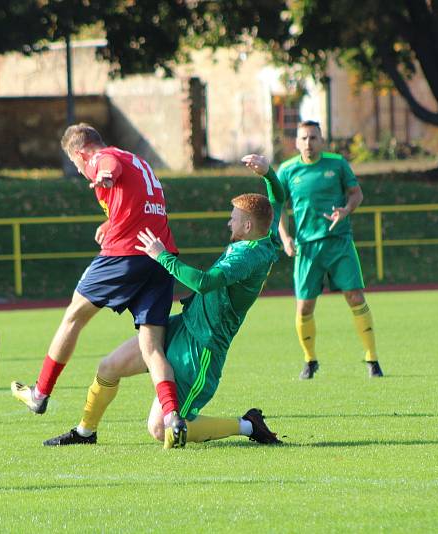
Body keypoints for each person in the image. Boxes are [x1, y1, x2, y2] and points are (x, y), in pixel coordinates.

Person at [41, 154, 284, 448]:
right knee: (109, 367)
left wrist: (162, 256)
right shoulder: (264, 234)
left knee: (159, 429)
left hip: (202, 348)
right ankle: (84, 433)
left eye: (233, 217)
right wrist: (268, 173)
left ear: (247, 226)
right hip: (183, 327)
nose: (228, 221)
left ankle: (247, 425)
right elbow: (278, 198)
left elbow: (204, 283)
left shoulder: (249, 256)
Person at [10, 123, 186, 443]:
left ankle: (40, 392)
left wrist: (100, 174)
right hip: (159, 255)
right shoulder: (137, 161)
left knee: (73, 317)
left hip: (125, 254)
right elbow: (141, 199)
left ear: (79, 153)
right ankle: (173, 415)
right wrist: (112, 219)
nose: (81, 171)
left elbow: (106, 166)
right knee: (151, 346)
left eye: (77, 165)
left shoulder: (101, 158)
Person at [277, 120, 383, 379]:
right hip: (307, 249)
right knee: (304, 308)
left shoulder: (337, 164)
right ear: (296, 142)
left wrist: (346, 209)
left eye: (313, 137)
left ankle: (372, 359)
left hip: (339, 242)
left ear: (322, 140)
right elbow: (279, 206)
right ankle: (310, 360)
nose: (308, 143)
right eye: (303, 138)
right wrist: (285, 236)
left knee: (355, 297)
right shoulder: (287, 170)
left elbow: (356, 194)